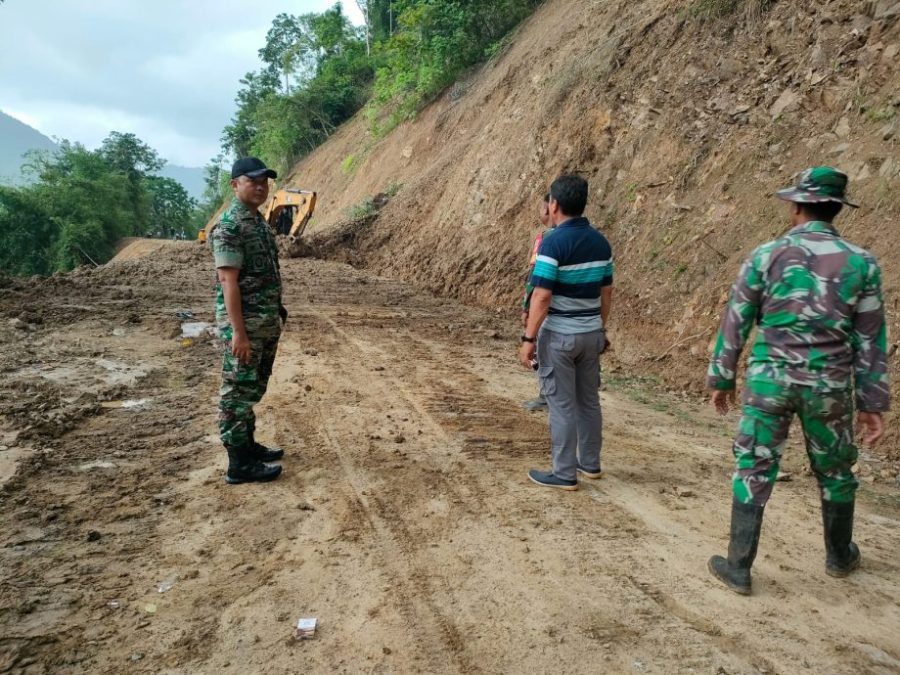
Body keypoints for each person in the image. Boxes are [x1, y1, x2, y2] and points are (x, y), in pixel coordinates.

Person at [706, 167, 889, 595]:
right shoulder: (862, 263)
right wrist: (872, 402)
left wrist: (722, 376)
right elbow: (870, 340)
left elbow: (736, 320)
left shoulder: (766, 255)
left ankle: (738, 567)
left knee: (754, 465)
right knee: (837, 469)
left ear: (796, 206)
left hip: (769, 382)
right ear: (837, 207)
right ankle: (839, 556)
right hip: (829, 387)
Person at [519, 174, 614, 490]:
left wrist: (529, 338)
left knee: (561, 404)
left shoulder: (553, 242)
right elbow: (607, 293)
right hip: (591, 334)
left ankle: (563, 473)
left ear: (554, 204)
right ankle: (591, 463)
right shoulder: (601, 242)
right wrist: (599, 328)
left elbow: (542, 295)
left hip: (559, 335)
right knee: (588, 400)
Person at [209, 157, 287, 484]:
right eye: (252, 180)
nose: (260, 186)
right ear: (235, 185)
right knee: (236, 393)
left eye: (264, 182)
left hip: (264, 323)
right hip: (245, 328)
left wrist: (278, 310)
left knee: (252, 389)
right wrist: (238, 333)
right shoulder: (230, 227)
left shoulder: (258, 222)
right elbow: (228, 282)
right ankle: (238, 464)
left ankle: (249, 445)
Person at [521, 194, 554, 411]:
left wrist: (526, 307)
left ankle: (546, 396)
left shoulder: (545, 239)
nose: (539, 211)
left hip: (547, 306)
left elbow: (535, 278)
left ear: (551, 208)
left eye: (542, 206)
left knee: (543, 349)